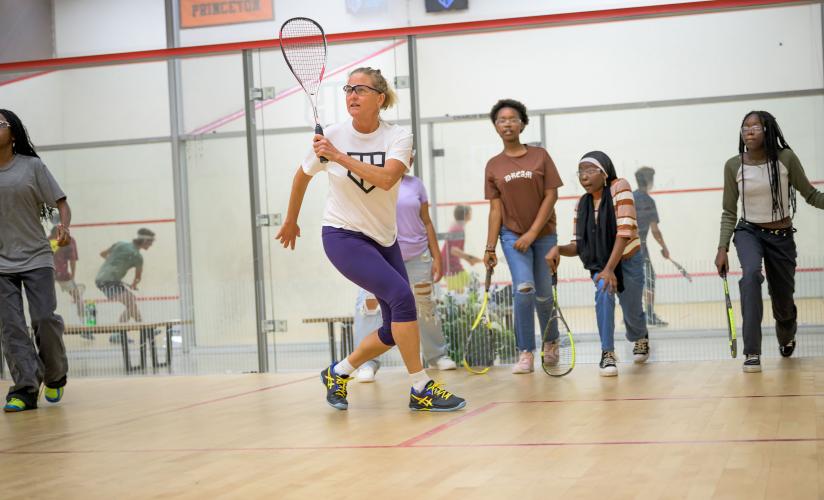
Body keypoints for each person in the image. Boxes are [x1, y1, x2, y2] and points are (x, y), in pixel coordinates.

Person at [276, 66, 465, 412]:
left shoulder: (397, 137)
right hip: (342, 235)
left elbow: (389, 178)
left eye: (360, 90)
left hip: (383, 238)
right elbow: (302, 176)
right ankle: (420, 387)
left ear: (380, 98)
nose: (352, 95)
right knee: (402, 298)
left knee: (395, 329)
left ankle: (338, 372)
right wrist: (291, 220)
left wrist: (337, 156)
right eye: (348, 89)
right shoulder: (333, 134)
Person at [715, 110, 824, 373]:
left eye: (755, 126)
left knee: (783, 300)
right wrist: (722, 247)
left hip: (782, 237)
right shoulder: (733, 165)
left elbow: (809, 194)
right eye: (745, 127)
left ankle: (786, 334)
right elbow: (730, 211)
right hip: (748, 232)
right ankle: (752, 351)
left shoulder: (786, 159)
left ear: (768, 131)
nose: (749, 131)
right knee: (750, 276)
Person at [546, 151, 650, 377]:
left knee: (632, 311)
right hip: (600, 265)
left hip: (628, 260)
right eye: (580, 171)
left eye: (589, 170)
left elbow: (625, 231)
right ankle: (607, 353)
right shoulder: (580, 205)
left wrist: (610, 269)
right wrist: (558, 248)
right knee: (603, 290)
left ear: (604, 173)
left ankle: (640, 336)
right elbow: (578, 246)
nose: (584, 176)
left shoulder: (619, 187)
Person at [353, 169, 457, 383]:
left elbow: (426, 221)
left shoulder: (416, 184)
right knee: (369, 306)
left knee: (425, 305)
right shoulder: (369, 180)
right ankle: (366, 363)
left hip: (418, 257)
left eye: (410, 154)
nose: (407, 158)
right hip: (380, 257)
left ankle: (436, 355)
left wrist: (437, 257)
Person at [482, 99, 563, 374]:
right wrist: (490, 247)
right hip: (511, 236)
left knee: (543, 296)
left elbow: (552, 195)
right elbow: (495, 209)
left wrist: (532, 233)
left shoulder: (540, 156)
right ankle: (526, 351)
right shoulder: (493, 166)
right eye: (501, 120)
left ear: (522, 123)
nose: (507, 123)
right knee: (523, 289)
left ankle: (551, 342)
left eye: (512, 119)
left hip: (544, 236)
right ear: (496, 126)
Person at [0, 109, 70, 412]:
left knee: (43, 318)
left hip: (36, 257)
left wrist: (62, 226)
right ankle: (25, 388)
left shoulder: (32, 167)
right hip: (1, 264)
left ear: (13, 134)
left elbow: (60, 204)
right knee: (12, 326)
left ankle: (54, 374)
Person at [95, 228, 155, 343]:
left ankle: (119, 333)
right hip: (108, 281)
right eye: (150, 242)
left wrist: (111, 263)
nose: (151, 245)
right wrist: (133, 284)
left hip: (104, 279)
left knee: (131, 301)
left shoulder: (120, 244)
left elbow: (102, 254)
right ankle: (144, 330)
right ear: (144, 241)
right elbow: (137, 277)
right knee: (131, 301)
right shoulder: (137, 257)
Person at [633, 167, 670, 327]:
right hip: (640, 246)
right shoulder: (649, 201)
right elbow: (655, 230)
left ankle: (632, 313)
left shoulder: (630, 198)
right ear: (649, 181)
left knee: (633, 279)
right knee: (649, 279)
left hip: (624, 246)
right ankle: (649, 315)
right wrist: (664, 247)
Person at [49, 225, 86, 323]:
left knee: (45, 298)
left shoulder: (48, 240)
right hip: (58, 274)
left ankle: (85, 324)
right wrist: (72, 277)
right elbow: (72, 260)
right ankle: (85, 325)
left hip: (50, 274)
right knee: (78, 297)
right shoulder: (68, 241)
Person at [440, 205, 482, 292]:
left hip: (451, 265)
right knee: (467, 289)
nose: (471, 214)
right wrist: (470, 259)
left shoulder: (457, 226)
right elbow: (454, 250)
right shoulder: (458, 229)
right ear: (466, 215)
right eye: (470, 213)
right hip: (450, 266)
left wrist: (470, 259)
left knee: (471, 286)